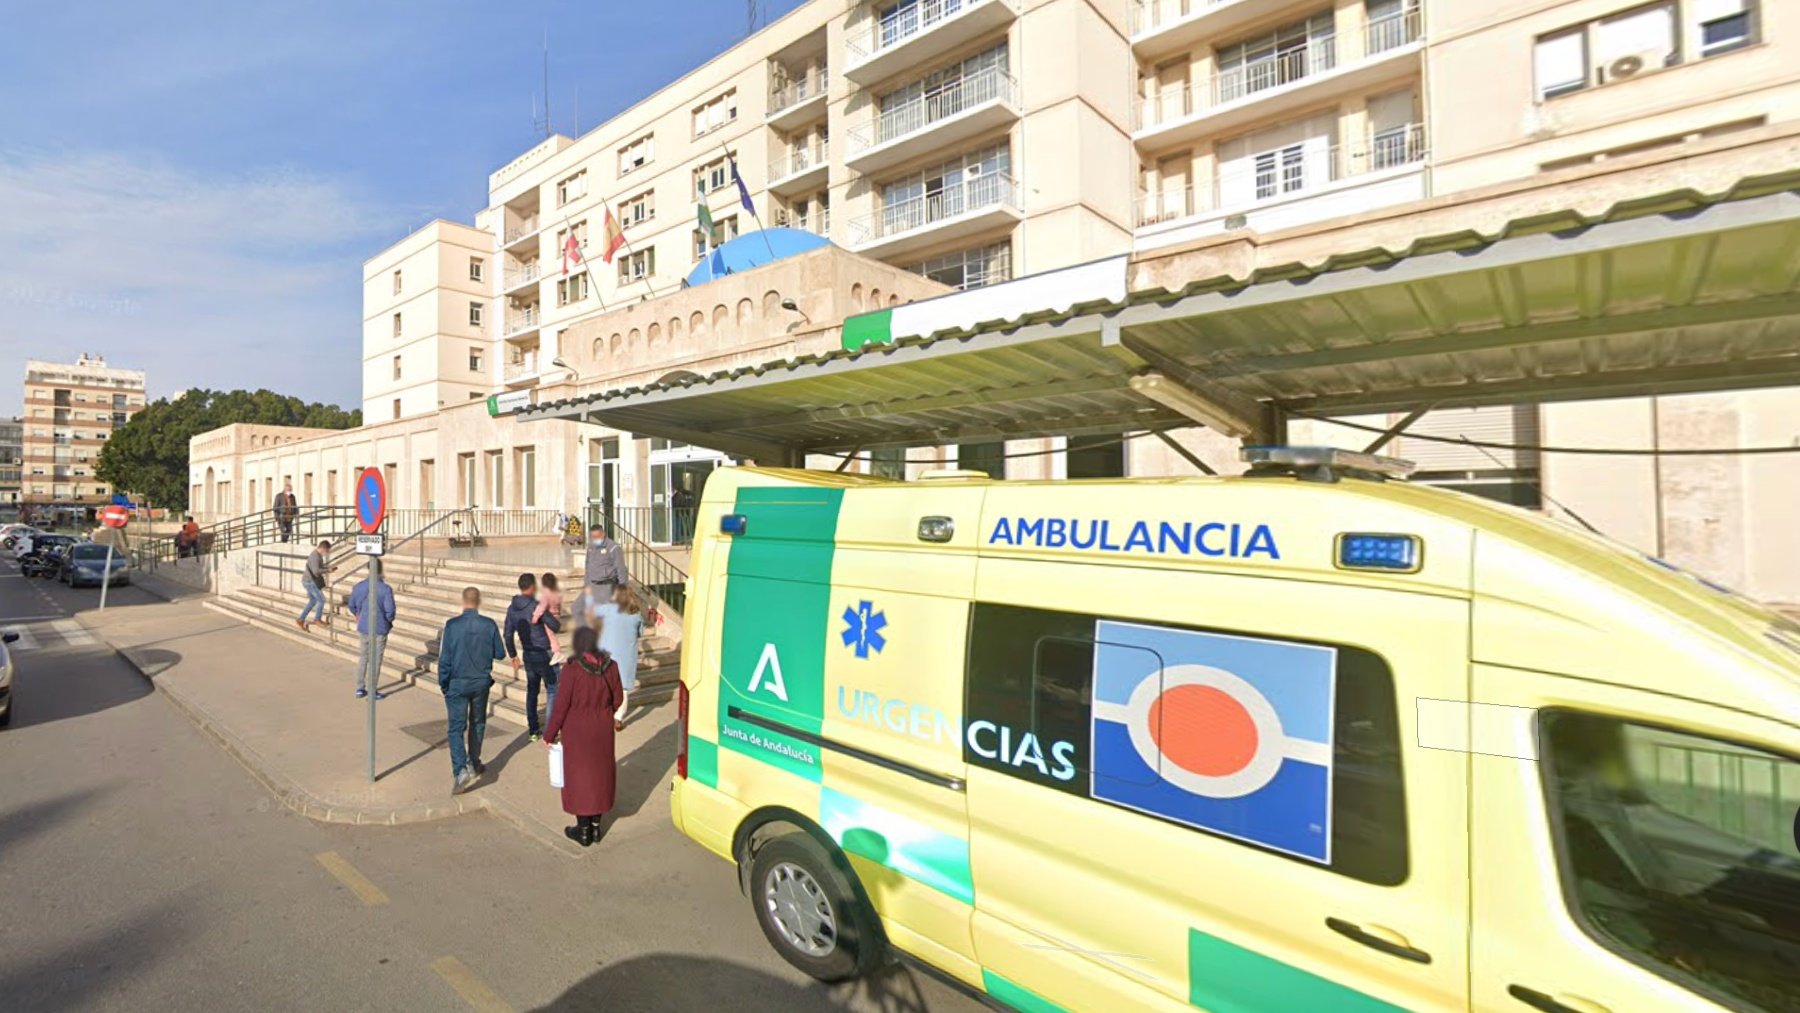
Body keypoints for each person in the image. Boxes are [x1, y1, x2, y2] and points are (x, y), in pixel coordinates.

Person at [544, 624, 624, 848]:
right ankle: (597, 828)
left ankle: (584, 830)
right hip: (602, 728)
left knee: (580, 778)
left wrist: (549, 734)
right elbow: (618, 699)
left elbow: (561, 706)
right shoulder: (612, 666)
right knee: (600, 775)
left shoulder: (572, 669)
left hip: (577, 730)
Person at [437, 586, 505, 794]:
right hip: (480, 681)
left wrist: (444, 683)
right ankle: (474, 762)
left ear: (462, 601)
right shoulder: (489, 624)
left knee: (456, 728)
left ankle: (460, 769)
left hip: (457, 682)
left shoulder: (451, 625)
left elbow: (445, 659)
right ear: (479, 601)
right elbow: (500, 653)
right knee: (477, 722)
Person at [505, 572, 563, 741]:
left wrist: (513, 655)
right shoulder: (536, 606)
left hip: (528, 654)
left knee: (532, 691)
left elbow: (507, 634)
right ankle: (550, 732)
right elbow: (555, 625)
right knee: (553, 689)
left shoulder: (512, 608)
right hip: (544, 652)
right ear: (532, 587)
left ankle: (533, 730)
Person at [590, 585, 646, 731]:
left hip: (607, 654)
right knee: (623, 688)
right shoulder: (636, 614)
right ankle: (618, 718)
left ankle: (604, 714)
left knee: (605, 685)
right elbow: (640, 633)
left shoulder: (606, 609)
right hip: (627, 655)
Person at [347, 559, 396, 700]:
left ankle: (360, 688)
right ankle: (372, 690)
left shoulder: (359, 587)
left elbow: (352, 605)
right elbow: (390, 611)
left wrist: (358, 615)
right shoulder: (385, 589)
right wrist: (388, 620)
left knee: (363, 657)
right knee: (376, 659)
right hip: (380, 627)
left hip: (364, 626)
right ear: (380, 569)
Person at [583, 525, 628, 610]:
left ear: (603, 534)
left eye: (597, 536)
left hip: (607, 584)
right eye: (593, 537)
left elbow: (620, 568)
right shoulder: (591, 547)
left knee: (608, 610)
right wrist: (586, 585)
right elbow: (588, 566)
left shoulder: (613, 547)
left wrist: (623, 588)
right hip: (593, 585)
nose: (595, 539)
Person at [297, 540, 333, 631]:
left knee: (313, 601)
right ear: (323, 548)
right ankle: (317, 619)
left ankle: (301, 619)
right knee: (321, 600)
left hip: (307, 580)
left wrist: (327, 568)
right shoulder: (315, 556)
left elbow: (317, 568)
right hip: (310, 581)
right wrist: (327, 570)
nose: (327, 553)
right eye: (327, 550)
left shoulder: (316, 555)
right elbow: (316, 571)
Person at [532, 572, 566, 666]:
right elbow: (559, 605)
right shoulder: (557, 592)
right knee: (550, 635)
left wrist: (535, 617)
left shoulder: (546, 593)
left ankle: (557, 652)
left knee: (551, 636)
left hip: (549, 616)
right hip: (556, 615)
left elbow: (542, 606)